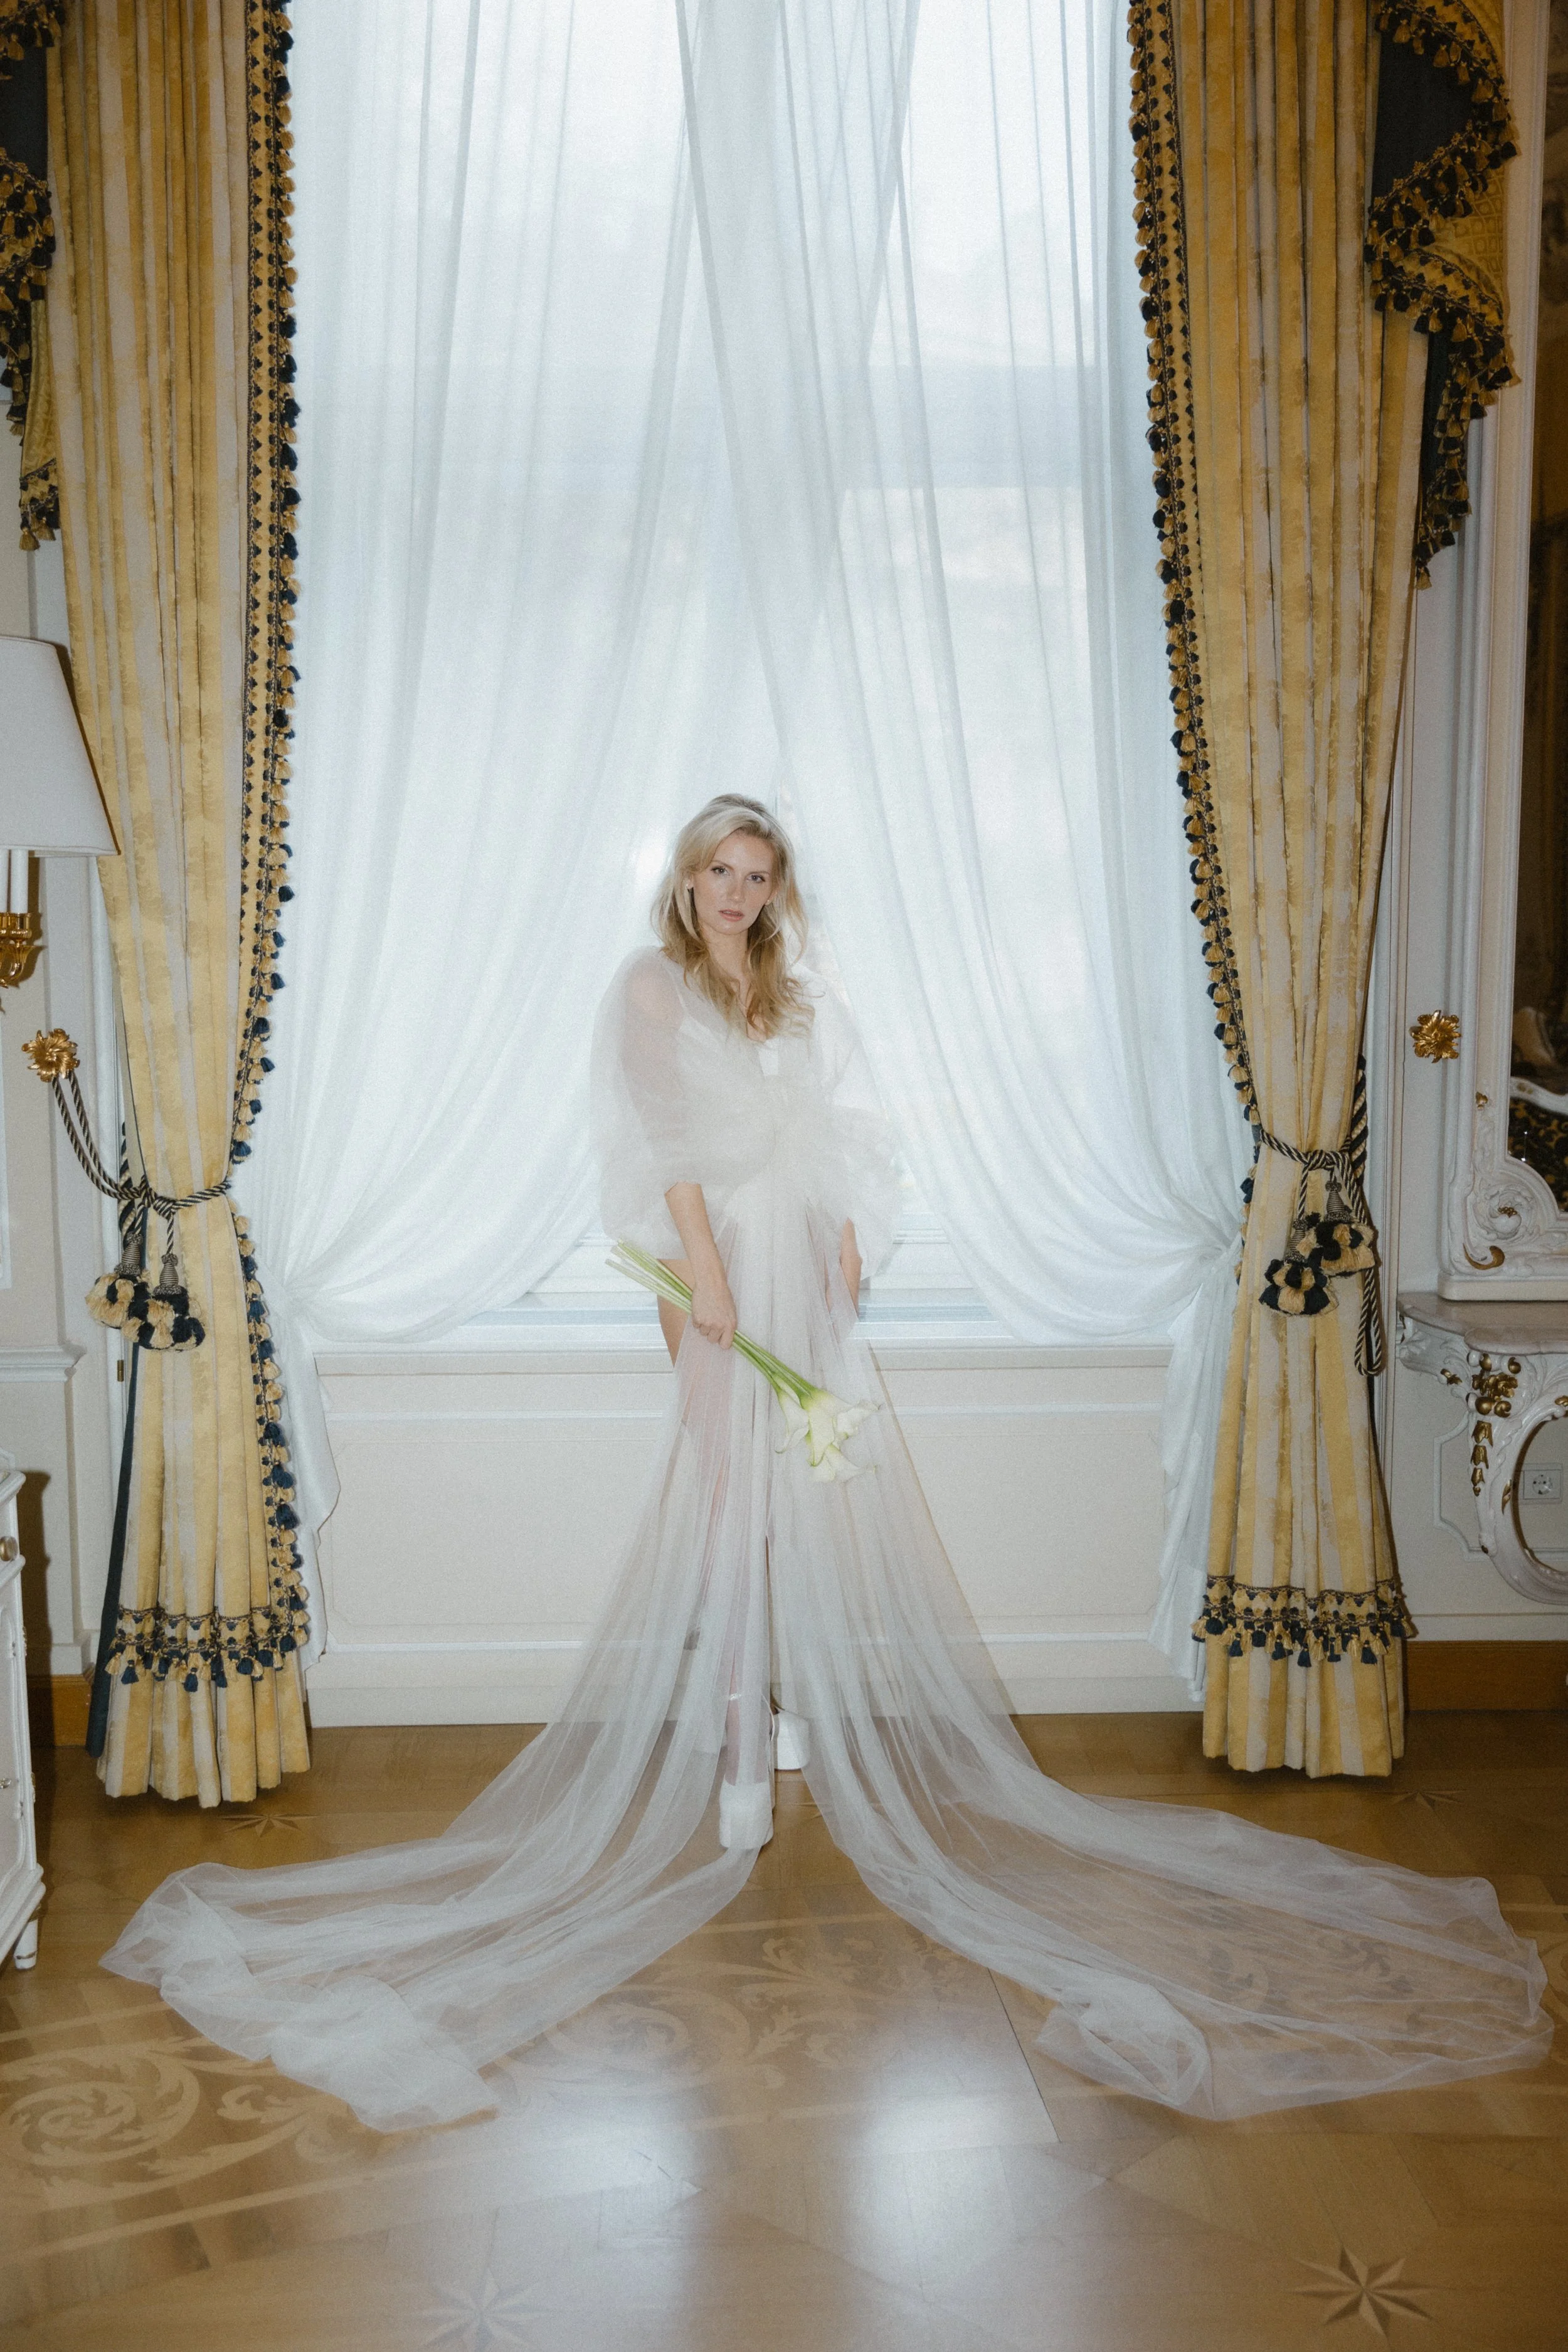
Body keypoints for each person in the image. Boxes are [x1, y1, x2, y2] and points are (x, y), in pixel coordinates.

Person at [102, 795, 1550, 2134]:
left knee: (797, 1503)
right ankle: (736, 1748)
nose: (736, 896)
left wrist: (843, 1235)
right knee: (731, 1504)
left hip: (795, 1246)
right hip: (713, 1254)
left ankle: (767, 1710)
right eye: (720, 874)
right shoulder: (649, 984)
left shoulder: (780, 984)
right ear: (684, 877)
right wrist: (703, 1275)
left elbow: (829, 1124)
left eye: (756, 879)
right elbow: (666, 1148)